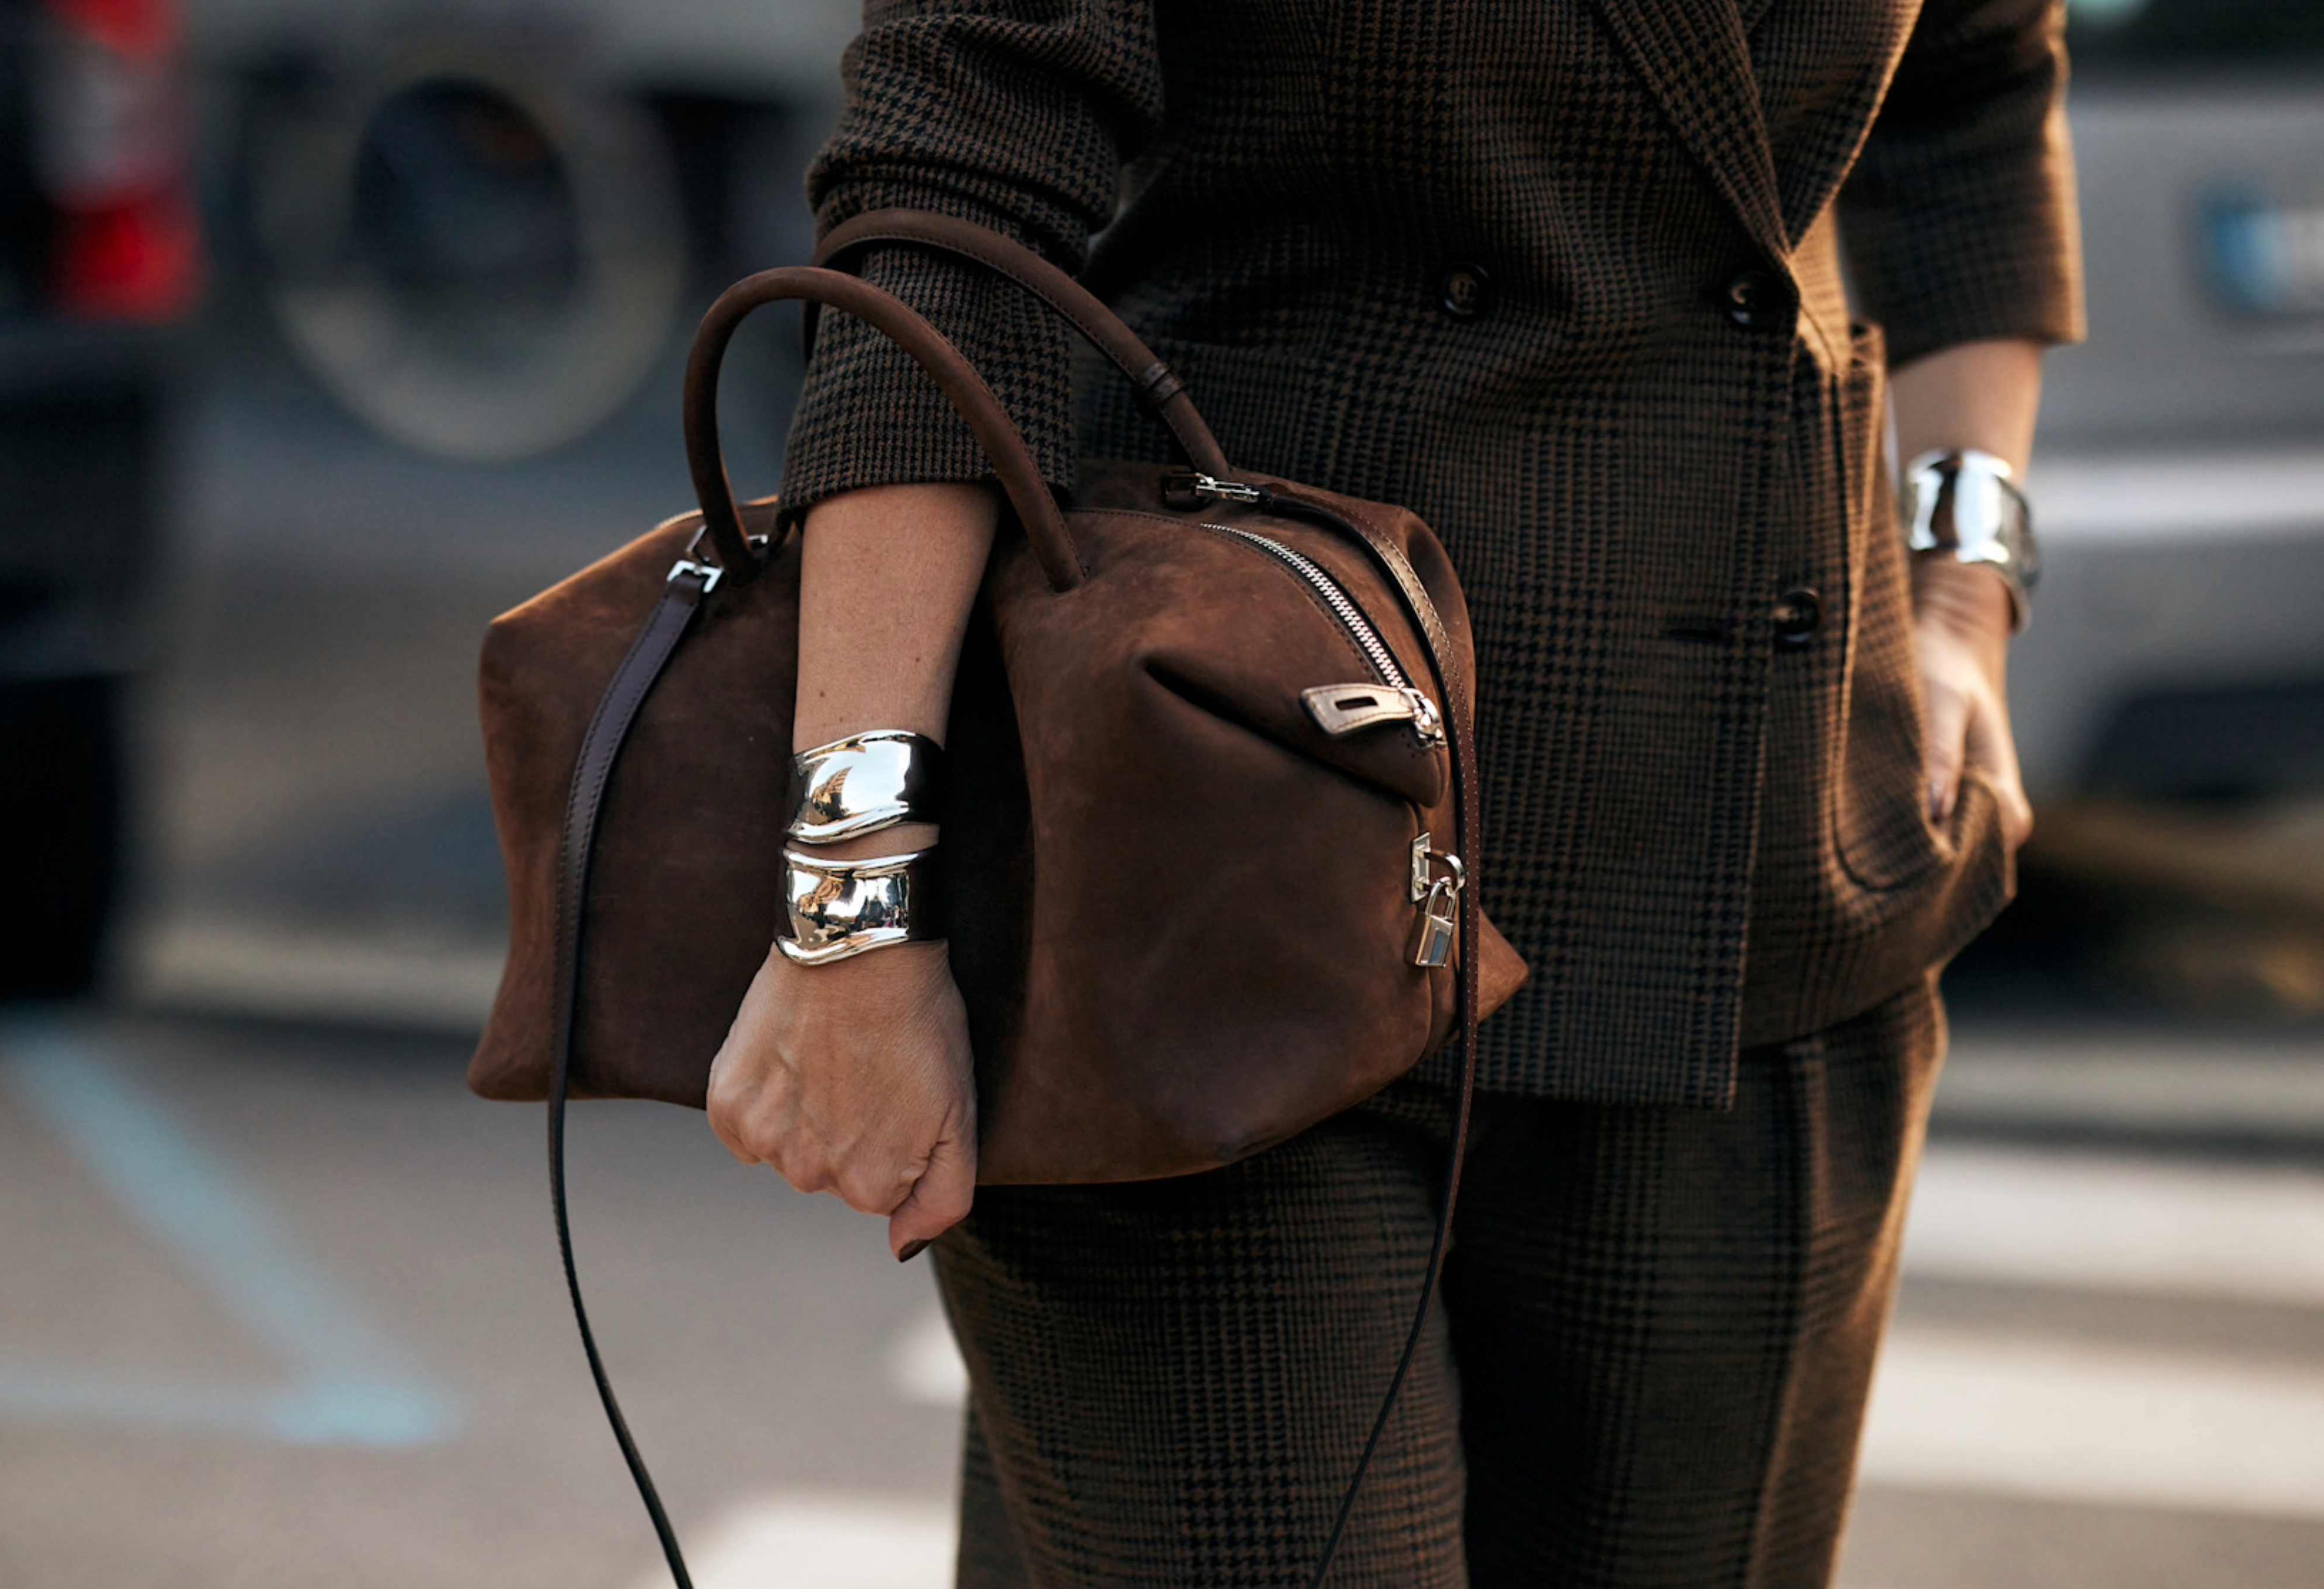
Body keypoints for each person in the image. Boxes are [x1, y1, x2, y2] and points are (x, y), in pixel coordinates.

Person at [705, 1, 2077, 1583]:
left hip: (1747, 838)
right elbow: (948, 205)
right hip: (1217, 844)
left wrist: (1966, 583)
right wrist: (856, 889)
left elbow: (1978, 78)